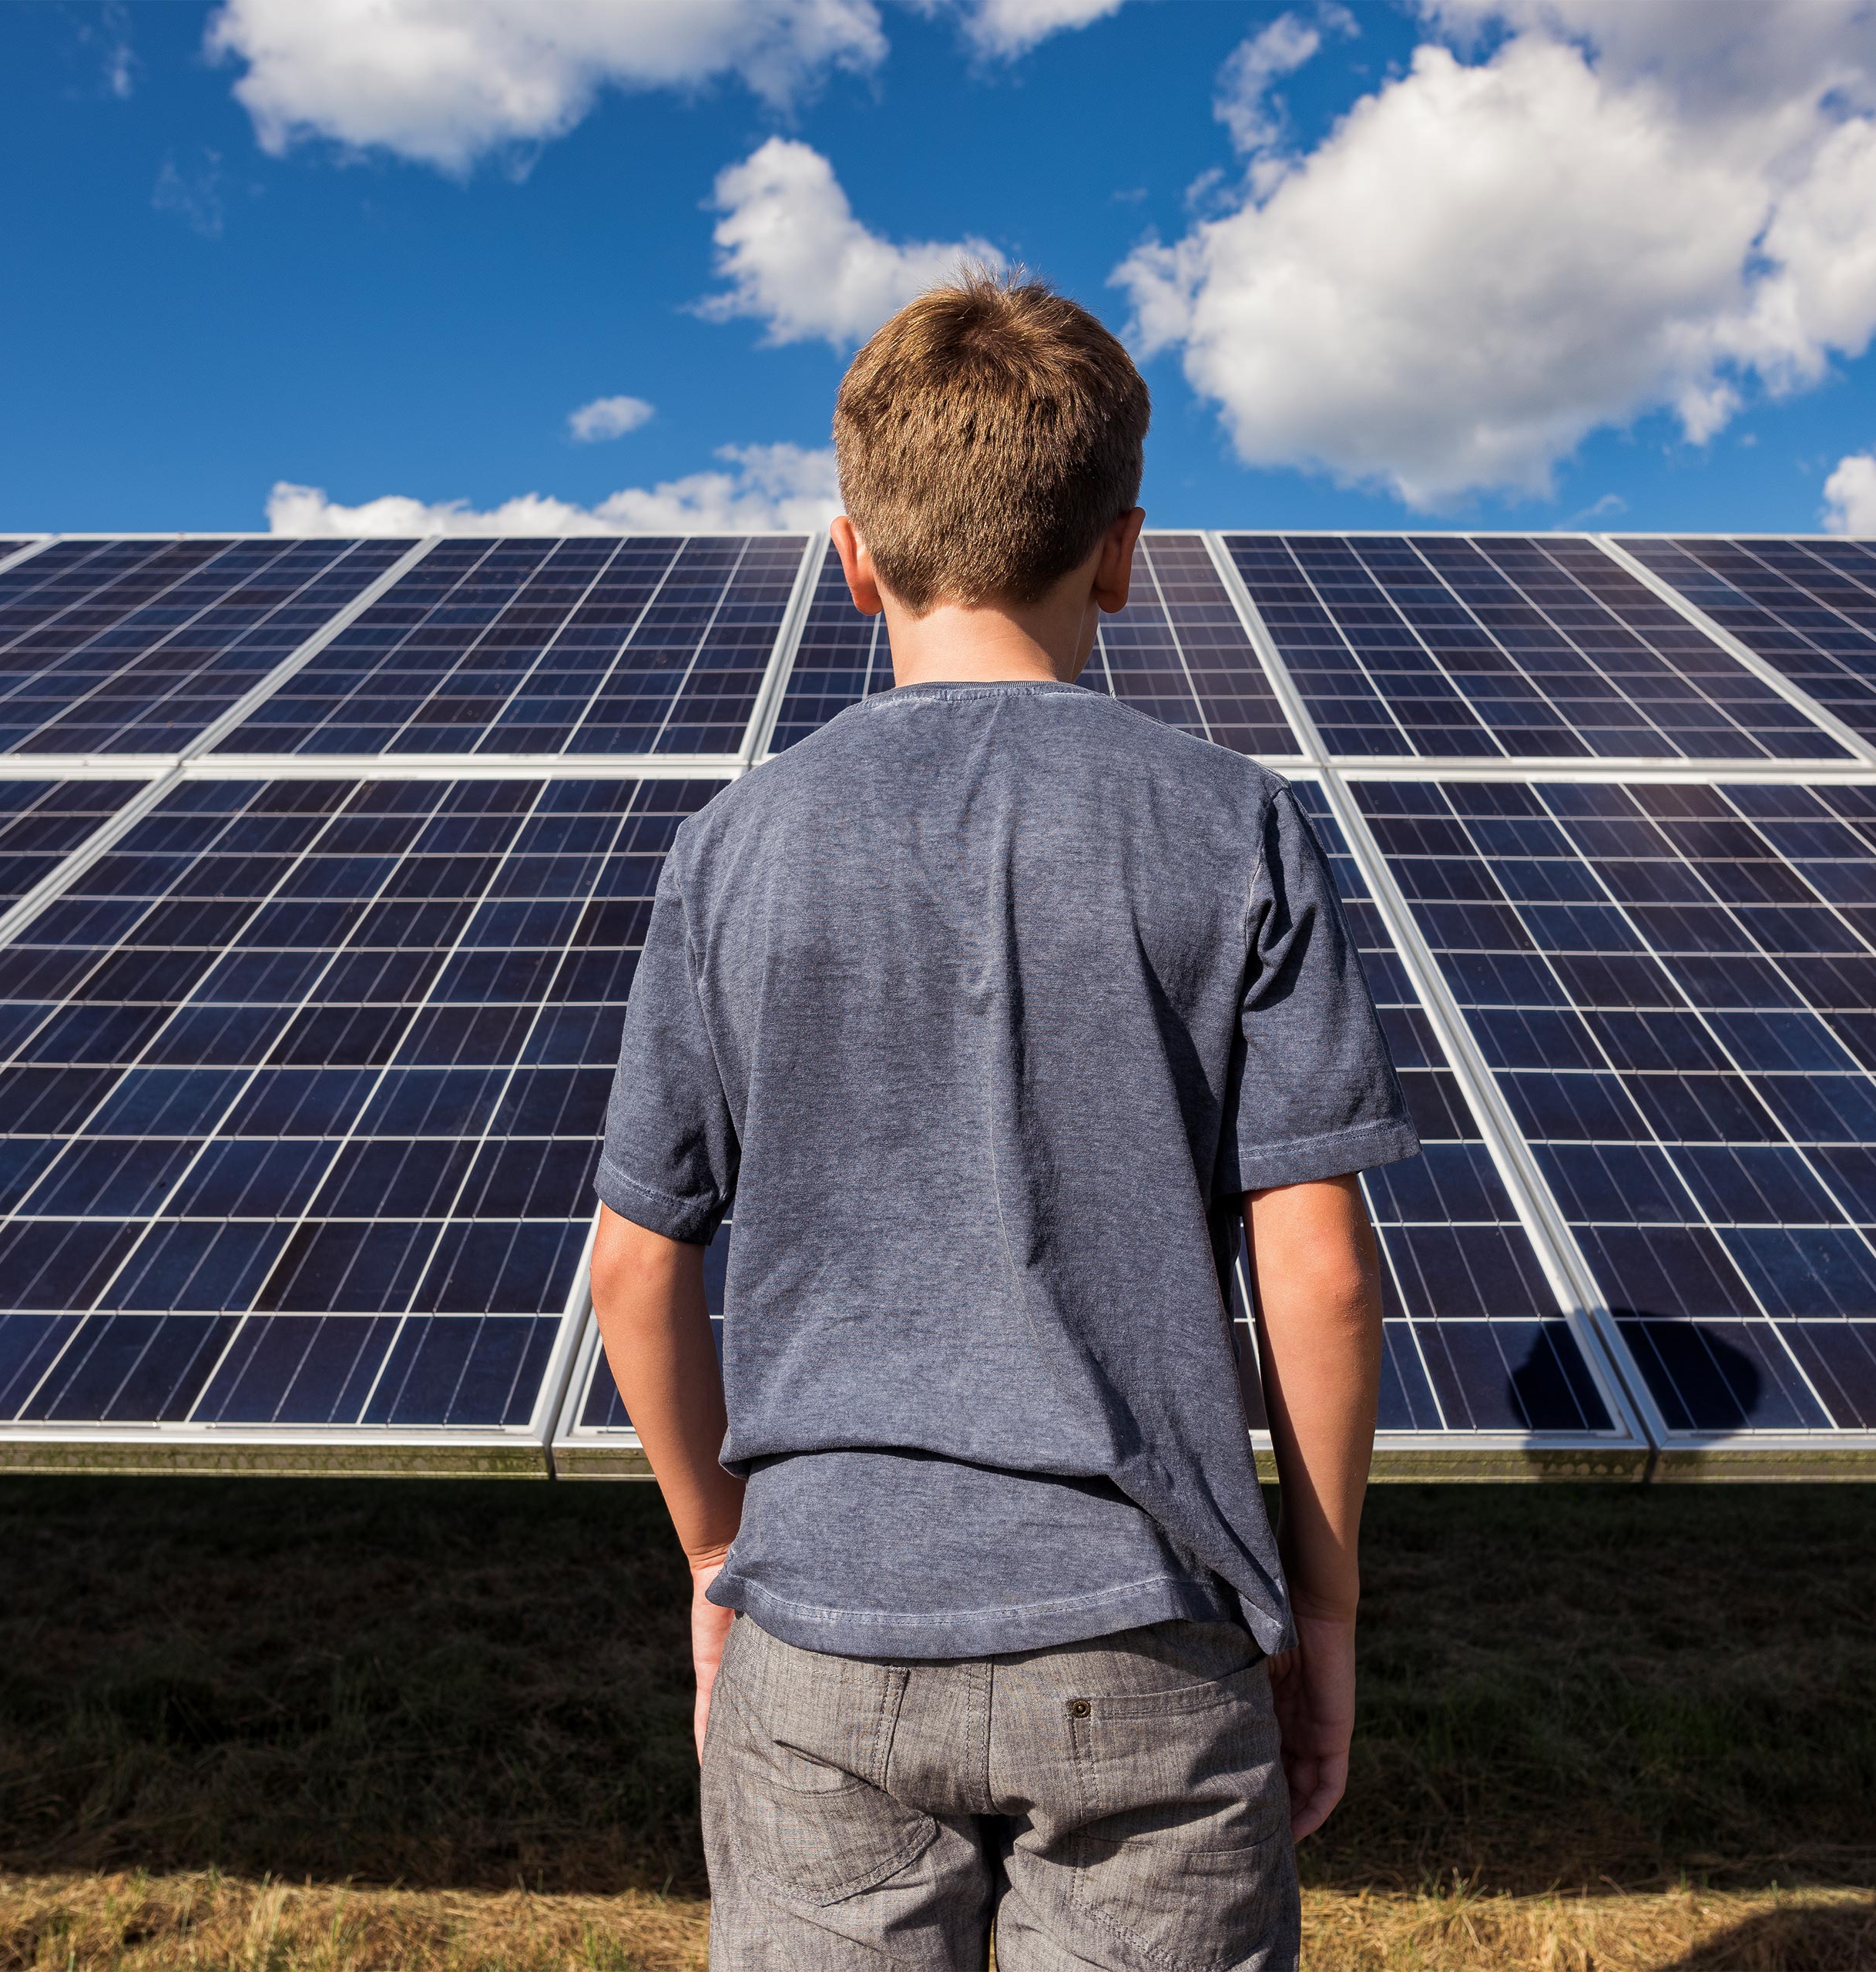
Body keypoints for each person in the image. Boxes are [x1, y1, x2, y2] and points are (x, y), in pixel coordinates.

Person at [590, 270, 1410, 1972]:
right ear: (1121, 549)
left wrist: (715, 1550)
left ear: (852, 556)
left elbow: (634, 1271)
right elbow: (1319, 1280)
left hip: (817, 1635)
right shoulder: (1237, 826)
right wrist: (1321, 1606)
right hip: (1148, 1636)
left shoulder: (729, 853)